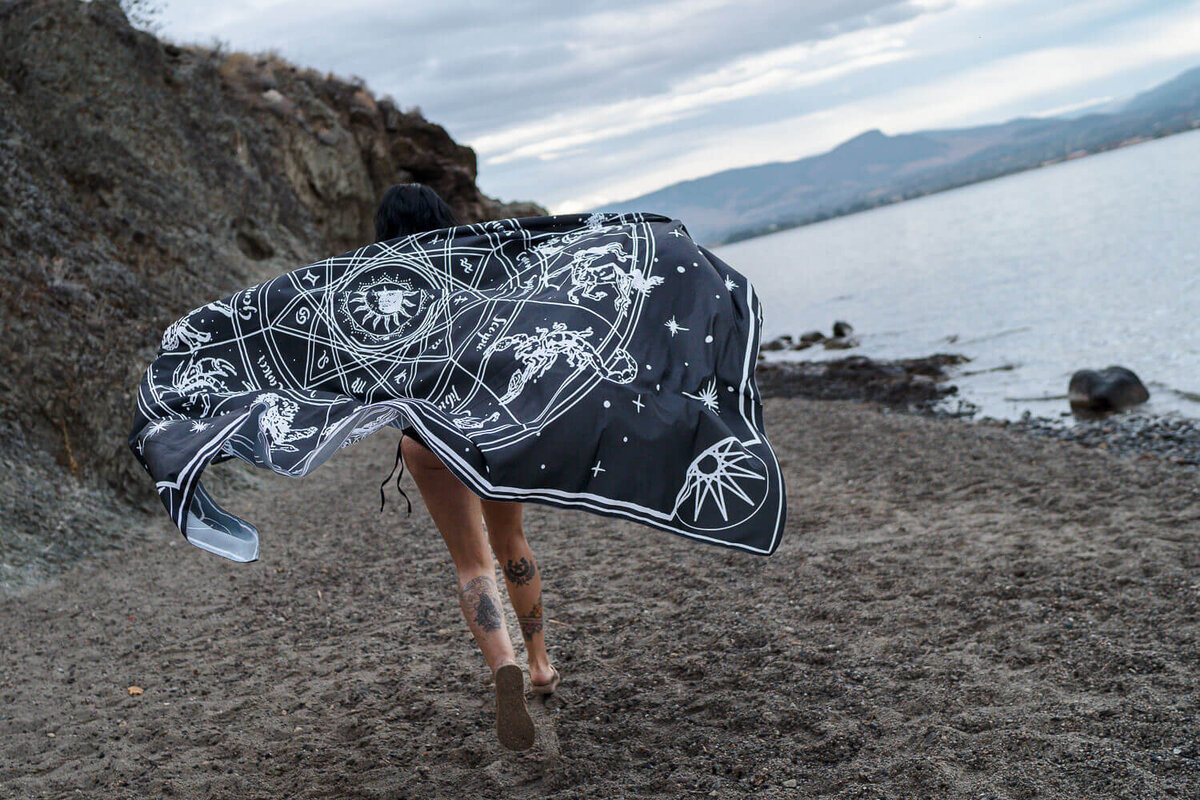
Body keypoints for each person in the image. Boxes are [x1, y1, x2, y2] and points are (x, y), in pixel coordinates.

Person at [373, 184, 560, 752]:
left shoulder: (372, 291)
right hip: (487, 428)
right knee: (510, 541)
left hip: (424, 437)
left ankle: (503, 665)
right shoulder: (475, 272)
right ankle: (540, 665)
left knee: (471, 562)